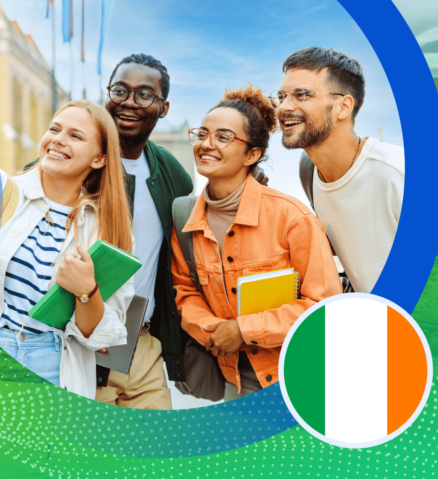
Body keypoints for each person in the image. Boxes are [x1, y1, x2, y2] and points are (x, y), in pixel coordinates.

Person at [0, 100, 135, 399]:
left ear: (100, 159)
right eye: (54, 129)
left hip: (55, 365)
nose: (59, 139)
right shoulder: (2, 193)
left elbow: (100, 337)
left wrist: (86, 290)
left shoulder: (108, 228)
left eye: (76, 136)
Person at [171, 84, 342, 400]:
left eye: (223, 137)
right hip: (235, 377)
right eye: (202, 134)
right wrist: (211, 329)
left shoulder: (292, 217)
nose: (206, 144)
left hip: (301, 375)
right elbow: (185, 291)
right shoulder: (185, 219)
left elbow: (323, 307)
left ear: (252, 154)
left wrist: (243, 330)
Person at [93, 54, 193, 410]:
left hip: (143, 344)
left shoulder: (171, 171)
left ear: (163, 108)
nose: (129, 102)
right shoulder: (79, 155)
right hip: (82, 343)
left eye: (144, 95)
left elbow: (200, 224)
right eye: (120, 90)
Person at [273, 47, 405, 293]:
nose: (283, 108)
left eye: (301, 95)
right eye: (281, 97)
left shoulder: (398, 175)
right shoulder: (310, 172)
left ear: (343, 107)